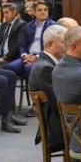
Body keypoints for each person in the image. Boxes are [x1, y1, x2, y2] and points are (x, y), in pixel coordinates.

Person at [28, 24, 65, 153]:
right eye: (63, 42)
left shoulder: (48, 64)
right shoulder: (45, 68)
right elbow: (58, 104)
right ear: (51, 45)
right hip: (56, 129)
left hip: (56, 123)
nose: (68, 45)